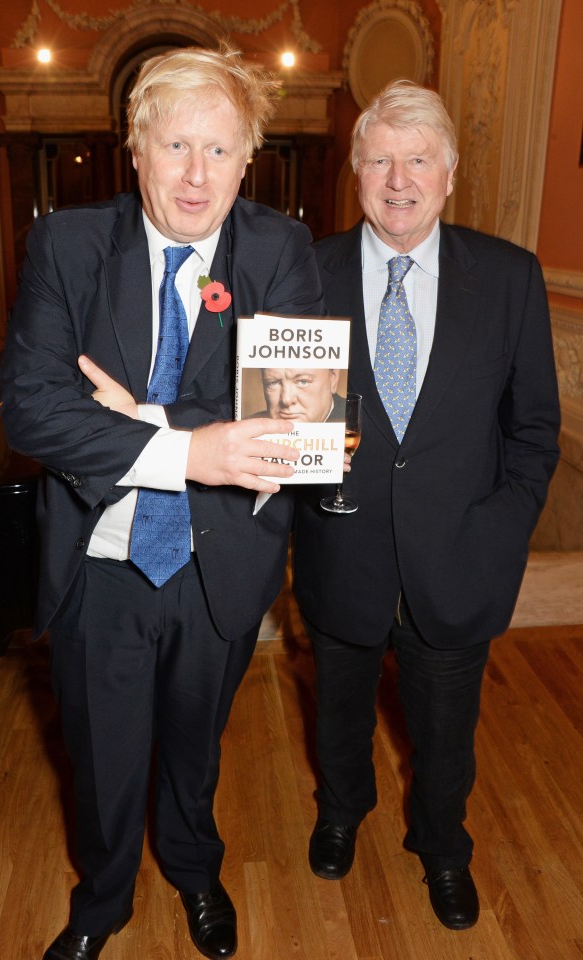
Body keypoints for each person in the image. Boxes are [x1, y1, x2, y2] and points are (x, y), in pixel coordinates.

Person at [0, 45, 324, 960]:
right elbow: (33, 408)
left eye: (219, 151)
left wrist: (138, 416)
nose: (195, 175)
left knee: (197, 741)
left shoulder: (280, 249)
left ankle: (193, 869)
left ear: (248, 159)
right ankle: (102, 901)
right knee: (101, 759)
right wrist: (196, 445)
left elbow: (289, 414)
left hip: (221, 560)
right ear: (133, 149)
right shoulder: (66, 246)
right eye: (175, 146)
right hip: (102, 561)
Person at [292, 79, 560, 931]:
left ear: (449, 175)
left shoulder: (511, 277)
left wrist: (502, 531)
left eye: (416, 160)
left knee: (447, 734)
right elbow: (286, 413)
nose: (397, 179)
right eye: (378, 160)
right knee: (337, 708)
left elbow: (535, 431)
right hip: (342, 551)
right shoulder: (307, 273)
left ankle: (442, 846)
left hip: (461, 561)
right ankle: (341, 812)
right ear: (356, 174)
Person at [257, 367, 345, 422]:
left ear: (333, 378)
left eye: (303, 381)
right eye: (273, 383)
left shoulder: (353, 426)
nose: (286, 400)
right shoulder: (249, 428)